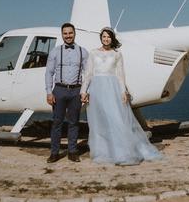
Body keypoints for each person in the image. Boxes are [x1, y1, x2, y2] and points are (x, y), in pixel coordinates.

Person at [80, 27, 162, 165]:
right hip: (96, 89)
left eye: (108, 37)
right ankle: (103, 152)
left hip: (112, 88)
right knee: (99, 122)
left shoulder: (117, 54)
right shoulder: (93, 53)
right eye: (104, 36)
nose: (106, 39)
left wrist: (123, 91)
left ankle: (122, 152)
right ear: (101, 37)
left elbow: (120, 75)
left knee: (116, 119)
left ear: (112, 39)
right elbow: (88, 74)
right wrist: (83, 91)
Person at [44, 22, 89, 163]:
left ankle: (72, 151)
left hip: (76, 90)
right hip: (59, 90)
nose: (68, 36)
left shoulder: (83, 51)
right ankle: (54, 152)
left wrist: (84, 91)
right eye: (65, 33)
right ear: (62, 35)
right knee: (57, 122)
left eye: (70, 33)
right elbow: (48, 73)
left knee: (74, 122)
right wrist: (49, 92)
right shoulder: (55, 51)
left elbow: (87, 74)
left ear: (74, 33)